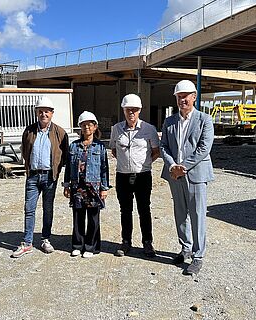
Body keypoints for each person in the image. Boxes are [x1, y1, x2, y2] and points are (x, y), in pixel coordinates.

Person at [160, 80, 214, 275]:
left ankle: (198, 257)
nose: (183, 99)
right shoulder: (169, 122)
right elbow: (164, 146)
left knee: (198, 215)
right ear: (176, 98)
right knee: (180, 213)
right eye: (179, 96)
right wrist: (173, 165)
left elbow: (204, 148)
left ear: (194, 96)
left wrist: (184, 166)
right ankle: (186, 248)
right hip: (175, 175)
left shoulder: (204, 120)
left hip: (196, 175)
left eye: (186, 96)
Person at [12, 96, 69, 258]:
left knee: (48, 209)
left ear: (52, 113)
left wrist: (57, 170)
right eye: (40, 111)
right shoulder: (29, 131)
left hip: (50, 177)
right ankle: (27, 243)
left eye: (47, 112)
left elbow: (65, 154)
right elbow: (25, 150)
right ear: (37, 113)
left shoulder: (59, 132)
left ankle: (45, 239)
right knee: (29, 209)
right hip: (33, 176)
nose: (43, 114)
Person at [109, 94, 160, 257]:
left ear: (139, 110)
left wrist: (143, 164)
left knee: (144, 210)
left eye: (135, 110)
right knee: (125, 210)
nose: (131, 112)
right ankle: (126, 242)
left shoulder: (149, 129)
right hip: (123, 176)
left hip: (143, 176)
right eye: (128, 109)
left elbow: (156, 152)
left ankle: (147, 243)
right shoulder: (116, 129)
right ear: (123, 110)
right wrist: (126, 164)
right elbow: (114, 150)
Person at [63, 111, 109, 258]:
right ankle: (77, 245)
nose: (86, 127)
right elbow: (68, 167)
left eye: (89, 124)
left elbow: (104, 168)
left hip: (94, 187)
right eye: (83, 125)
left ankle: (91, 247)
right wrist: (66, 186)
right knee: (78, 217)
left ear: (95, 127)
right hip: (77, 187)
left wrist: (104, 188)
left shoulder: (100, 147)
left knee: (93, 218)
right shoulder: (74, 146)